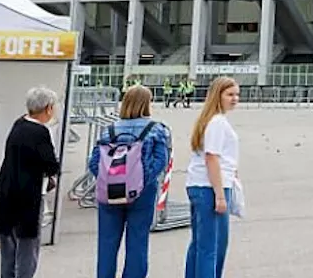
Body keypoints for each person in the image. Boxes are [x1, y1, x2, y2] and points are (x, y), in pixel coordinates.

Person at [88, 84, 171, 278]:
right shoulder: (156, 129)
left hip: (109, 193)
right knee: (137, 242)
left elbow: (94, 161)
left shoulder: (108, 130)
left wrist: (107, 179)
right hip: (141, 193)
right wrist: (141, 180)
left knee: (107, 244)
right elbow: (161, 161)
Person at [0, 86, 61, 278]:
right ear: (47, 108)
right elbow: (51, 165)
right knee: (27, 249)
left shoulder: (18, 124)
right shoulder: (40, 132)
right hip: (27, 199)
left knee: (8, 247)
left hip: (6, 194)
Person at [184, 77, 242, 278]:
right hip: (209, 187)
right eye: (230, 94)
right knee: (213, 246)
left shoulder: (210, 120)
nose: (235, 99)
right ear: (218, 96)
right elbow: (212, 157)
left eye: (236, 94)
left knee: (201, 245)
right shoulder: (217, 122)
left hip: (201, 185)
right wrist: (220, 195)